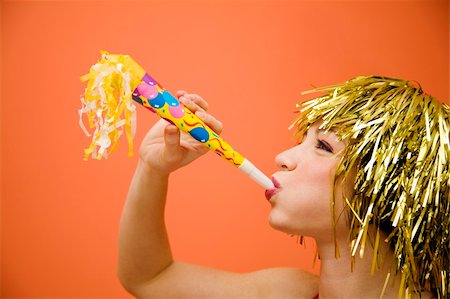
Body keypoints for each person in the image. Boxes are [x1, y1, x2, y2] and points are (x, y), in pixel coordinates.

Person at [118, 76, 449, 298]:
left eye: (323, 146)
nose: (283, 157)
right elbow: (149, 278)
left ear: (387, 188)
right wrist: (152, 168)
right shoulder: (288, 292)